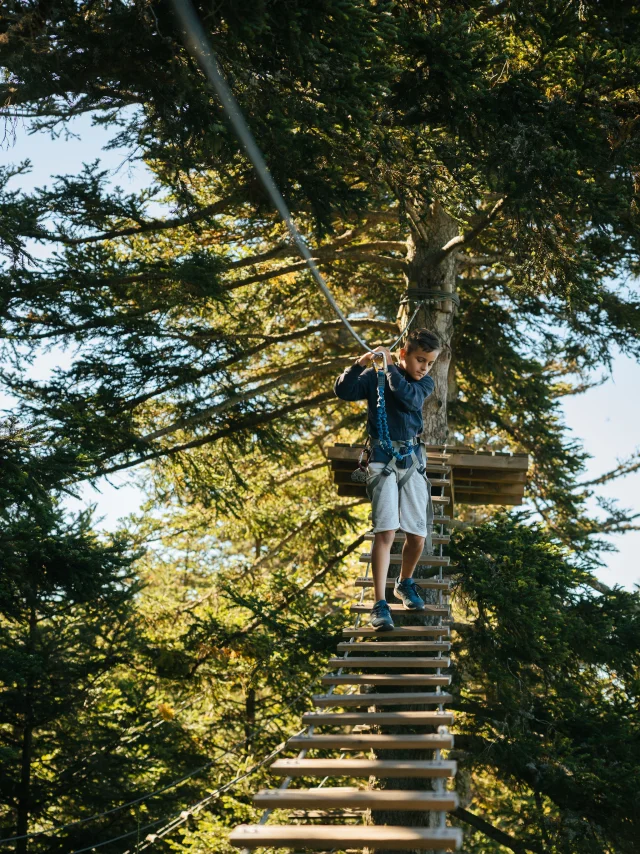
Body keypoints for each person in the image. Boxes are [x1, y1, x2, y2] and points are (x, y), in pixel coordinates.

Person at [333, 329, 441, 631]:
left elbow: (407, 399)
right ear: (405, 354)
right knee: (386, 531)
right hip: (382, 459)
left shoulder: (423, 384)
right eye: (421, 360)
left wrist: (390, 365)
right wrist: (360, 364)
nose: (424, 368)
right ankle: (379, 604)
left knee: (417, 535)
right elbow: (344, 390)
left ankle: (405, 582)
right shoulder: (375, 379)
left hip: (412, 461)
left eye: (429, 363)